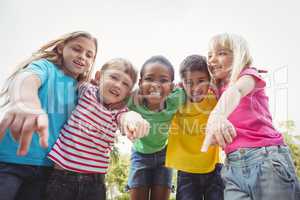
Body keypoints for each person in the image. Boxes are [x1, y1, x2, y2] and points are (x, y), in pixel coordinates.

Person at [0, 31, 148, 200]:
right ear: (62, 48)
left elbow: (123, 113)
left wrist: (134, 118)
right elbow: (26, 78)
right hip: (10, 160)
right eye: (77, 49)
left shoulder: (83, 89)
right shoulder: (47, 68)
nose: (82, 56)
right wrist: (26, 101)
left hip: (46, 169)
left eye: (89, 55)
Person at [201, 33, 300, 200]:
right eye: (210, 55)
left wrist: (217, 115)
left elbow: (236, 91)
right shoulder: (217, 88)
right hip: (233, 167)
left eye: (221, 53)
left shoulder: (248, 76)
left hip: (267, 161)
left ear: (239, 55)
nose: (212, 59)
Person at [45, 58, 149, 200]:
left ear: (128, 93)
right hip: (61, 177)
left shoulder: (118, 112)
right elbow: (67, 77)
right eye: (113, 77)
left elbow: (127, 117)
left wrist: (135, 119)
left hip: (95, 183)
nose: (118, 85)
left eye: (125, 84)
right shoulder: (86, 90)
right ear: (99, 77)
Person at [126, 55, 186, 200]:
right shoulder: (132, 100)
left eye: (163, 80)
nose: (156, 84)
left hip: (164, 156)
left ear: (171, 86)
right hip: (140, 155)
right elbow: (111, 98)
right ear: (140, 83)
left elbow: (198, 88)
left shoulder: (176, 99)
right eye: (149, 78)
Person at [166, 55, 224, 200]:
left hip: (214, 168)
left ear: (209, 81)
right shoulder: (177, 101)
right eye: (189, 82)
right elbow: (154, 98)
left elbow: (231, 85)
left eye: (201, 81)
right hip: (186, 171)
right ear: (182, 83)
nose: (195, 87)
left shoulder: (215, 98)